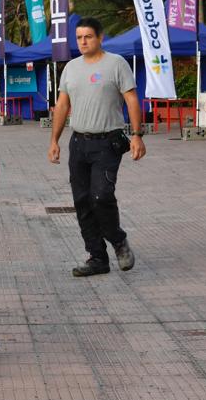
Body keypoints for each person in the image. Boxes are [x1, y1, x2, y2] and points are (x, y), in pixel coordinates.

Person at [48, 17, 146, 278]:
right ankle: (97, 257)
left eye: (88, 36)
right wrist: (54, 141)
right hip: (78, 143)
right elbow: (62, 106)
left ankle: (118, 241)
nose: (82, 41)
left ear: (100, 37)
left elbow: (132, 99)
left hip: (107, 142)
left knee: (101, 197)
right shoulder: (70, 68)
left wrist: (136, 135)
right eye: (79, 37)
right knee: (82, 201)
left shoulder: (116, 64)